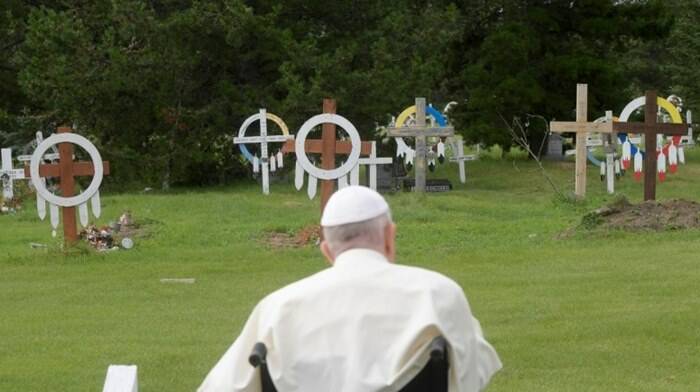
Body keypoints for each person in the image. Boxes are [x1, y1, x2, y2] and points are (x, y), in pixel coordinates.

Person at [198, 186, 501, 392]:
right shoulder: (439, 295)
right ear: (389, 237)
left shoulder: (277, 309)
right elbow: (472, 376)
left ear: (327, 251)